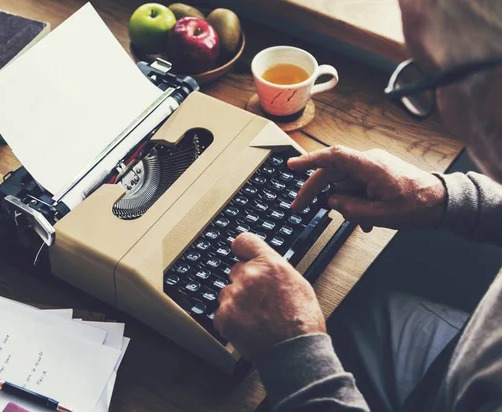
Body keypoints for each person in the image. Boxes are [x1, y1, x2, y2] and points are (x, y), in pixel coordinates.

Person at [213, 0, 502, 410]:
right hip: (462, 351)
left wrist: (295, 357)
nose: (443, 110)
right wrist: (446, 197)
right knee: (361, 309)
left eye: (432, 75)